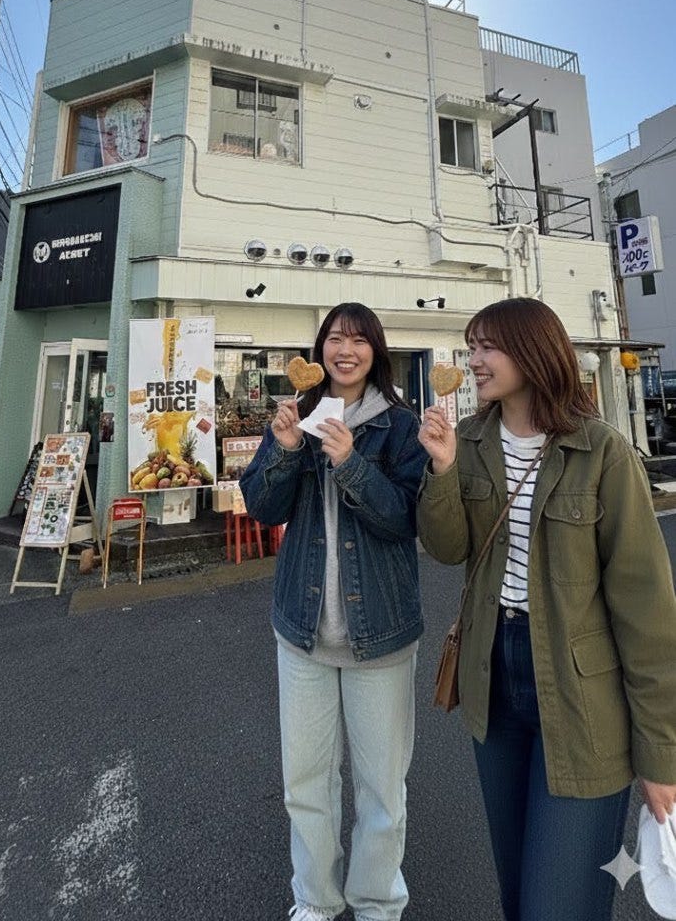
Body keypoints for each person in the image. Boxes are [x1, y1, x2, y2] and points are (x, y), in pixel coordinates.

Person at [417, 297, 676, 921]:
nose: (474, 361)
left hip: (583, 689)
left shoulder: (601, 450)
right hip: (493, 675)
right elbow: (448, 548)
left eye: (488, 347)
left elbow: (646, 613)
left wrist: (661, 753)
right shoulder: (469, 440)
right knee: (517, 887)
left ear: (533, 353)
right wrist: (443, 468)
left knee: (558, 901)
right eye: (471, 348)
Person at [240, 303, 427, 921]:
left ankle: (376, 902)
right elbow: (262, 508)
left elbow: (405, 519)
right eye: (335, 339)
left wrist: (350, 463)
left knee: (381, 789)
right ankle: (315, 899)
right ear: (318, 351)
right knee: (307, 782)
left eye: (358, 339)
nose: (346, 350)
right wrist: (286, 449)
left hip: (382, 632)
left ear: (376, 351)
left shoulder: (400, 426)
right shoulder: (297, 417)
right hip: (303, 630)